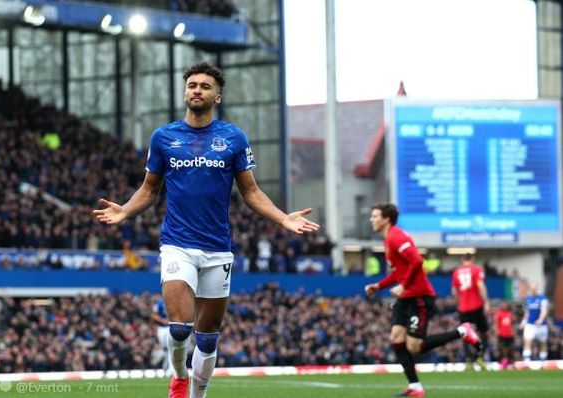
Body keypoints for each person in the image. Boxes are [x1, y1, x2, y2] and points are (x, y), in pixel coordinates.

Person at [93, 61, 319, 398]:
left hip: (217, 250)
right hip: (177, 245)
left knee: (209, 336)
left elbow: (251, 192)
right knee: (181, 328)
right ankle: (179, 377)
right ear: (186, 92)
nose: (197, 90)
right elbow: (150, 189)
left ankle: (198, 395)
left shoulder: (232, 138)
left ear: (217, 96)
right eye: (192, 85)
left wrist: (283, 217)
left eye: (205, 86)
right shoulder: (164, 137)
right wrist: (125, 209)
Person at [364, 203, 481, 397]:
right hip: (406, 296)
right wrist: (379, 286)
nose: (371, 219)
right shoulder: (387, 239)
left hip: (419, 296)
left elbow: (417, 261)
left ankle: (463, 331)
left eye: (375, 216)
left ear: (386, 219)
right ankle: (415, 387)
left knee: (414, 347)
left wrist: (403, 285)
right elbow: (398, 272)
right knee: (396, 339)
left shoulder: (396, 236)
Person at [451, 253, 489, 367]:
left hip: (463, 308)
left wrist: (459, 302)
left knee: (465, 333)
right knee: (483, 332)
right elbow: (481, 285)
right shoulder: (476, 270)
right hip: (476, 306)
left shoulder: (456, 272)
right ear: (472, 259)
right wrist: (486, 302)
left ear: (462, 259)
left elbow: (453, 291)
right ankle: (479, 357)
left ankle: (468, 359)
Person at [520, 281, 549, 361]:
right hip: (530, 324)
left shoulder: (542, 298)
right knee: (527, 342)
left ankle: (543, 361)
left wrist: (540, 319)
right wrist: (524, 321)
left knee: (542, 343)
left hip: (541, 325)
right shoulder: (527, 299)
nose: (533, 289)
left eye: (535, 288)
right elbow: (527, 312)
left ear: (537, 288)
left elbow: (544, 310)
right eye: (532, 288)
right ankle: (527, 361)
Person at [151, 296, 173, 375]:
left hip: (171, 326)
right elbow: (153, 315)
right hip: (161, 328)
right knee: (164, 348)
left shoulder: (174, 302)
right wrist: (162, 320)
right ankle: (165, 364)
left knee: (171, 347)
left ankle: (170, 368)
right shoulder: (159, 303)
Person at [494, 301, 515, 369]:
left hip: (509, 334)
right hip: (502, 334)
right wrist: (497, 331)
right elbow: (496, 323)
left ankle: (509, 361)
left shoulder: (510, 313)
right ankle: (503, 361)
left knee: (510, 348)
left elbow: (512, 324)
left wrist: (513, 331)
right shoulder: (499, 313)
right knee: (502, 348)